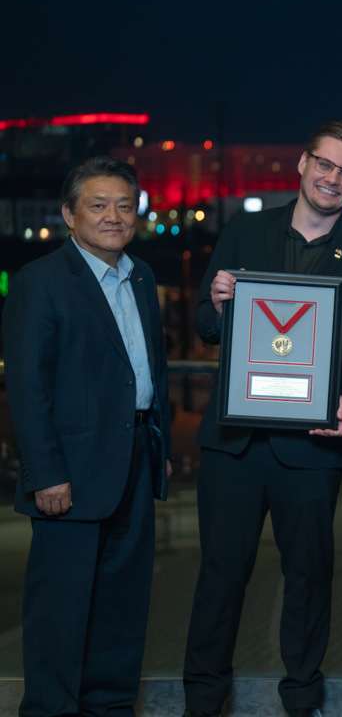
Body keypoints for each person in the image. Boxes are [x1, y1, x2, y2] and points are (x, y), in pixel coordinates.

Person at [182, 121, 342, 717]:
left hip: (312, 442)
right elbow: (204, 321)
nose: (332, 178)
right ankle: (202, 699)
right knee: (220, 576)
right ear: (303, 163)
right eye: (324, 164)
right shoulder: (246, 230)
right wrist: (220, 301)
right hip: (235, 441)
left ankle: (301, 698)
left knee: (308, 578)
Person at [3, 156, 172, 717]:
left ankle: (110, 709)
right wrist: (46, 473)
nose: (113, 216)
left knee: (122, 614)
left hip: (134, 467)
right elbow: (28, 389)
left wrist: (160, 451)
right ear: (68, 215)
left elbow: (149, 374)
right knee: (60, 616)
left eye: (125, 205)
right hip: (69, 478)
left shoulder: (142, 276)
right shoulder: (41, 281)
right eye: (97, 205)